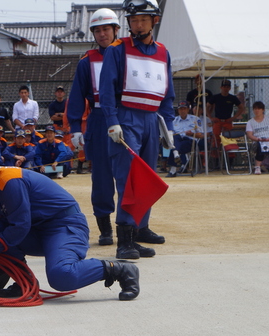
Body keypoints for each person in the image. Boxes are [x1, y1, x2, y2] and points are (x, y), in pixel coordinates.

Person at [0, 146, 140, 301]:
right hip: (37, 231)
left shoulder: (10, 181)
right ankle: (25, 282)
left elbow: (19, 227)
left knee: (62, 277)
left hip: (64, 226)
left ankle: (118, 269)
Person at [99, 0, 175, 260]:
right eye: (133, 20)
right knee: (128, 179)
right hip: (126, 118)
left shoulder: (164, 52)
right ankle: (125, 242)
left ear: (154, 20)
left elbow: (168, 94)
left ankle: (140, 230)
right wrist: (112, 121)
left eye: (143, 19)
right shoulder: (117, 50)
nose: (138, 24)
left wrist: (170, 125)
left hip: (152, 120)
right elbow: (106, 90)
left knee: (146, 178)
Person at [68, 7, 122, 246]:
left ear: (116, 30)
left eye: (106, 29)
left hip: (127, 117)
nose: (102, 34)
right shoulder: (86, 61)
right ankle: (105, 228)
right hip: (99, 119)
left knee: (130, 176)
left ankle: (136, 227)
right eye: (97, 30)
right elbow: (77, 96)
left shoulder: (127, 54)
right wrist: (75, 128)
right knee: (101, 176)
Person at [166, 100, 204, 177]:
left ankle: (173, 169)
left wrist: (192, 134)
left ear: (188, 109)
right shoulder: (174, 120)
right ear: (178, 110)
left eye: (184, 109)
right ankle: (176, 154)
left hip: (190, 141)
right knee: (174, 138)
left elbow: (201, 135)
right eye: (181, 109)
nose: (182, 111)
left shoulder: (195, 119)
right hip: (177, 141)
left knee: (173, 147)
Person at [246, 101, 269, 175]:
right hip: (258, 140)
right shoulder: (250, 122)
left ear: (263, 110)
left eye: (259, 109)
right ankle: (258, 167)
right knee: (260, 146)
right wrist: (257, 139)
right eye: (255, 109)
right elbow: (249, 135)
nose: (257, 111)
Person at [208, 79, 245, 147]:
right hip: (218, 121)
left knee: (228, 139)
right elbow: (207, 106)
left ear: (230, 88)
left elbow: (241, 107)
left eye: (227, 87)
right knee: (216, 139)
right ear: (221, 87)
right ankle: (216, 155)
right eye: (224, 87)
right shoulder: (216, 97)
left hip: (227, 121)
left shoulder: (232, 98)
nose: (226, 88)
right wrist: (210, 117)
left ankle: (230, 156)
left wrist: (234, 117)